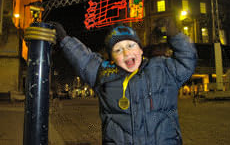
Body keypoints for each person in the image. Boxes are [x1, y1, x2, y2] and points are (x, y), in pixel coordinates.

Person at [53, 18, 197, 145]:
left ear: (141, 49)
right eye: (118, 50)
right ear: (112, 58)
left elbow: (187, 61)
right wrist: (65, 40)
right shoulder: (104, 75)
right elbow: (84, 61)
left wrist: (176, 35)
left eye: (130, 45)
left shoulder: (162, 69)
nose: (126, 53)